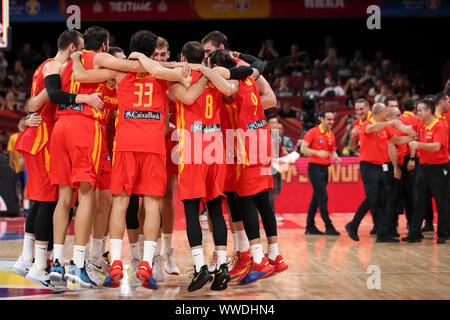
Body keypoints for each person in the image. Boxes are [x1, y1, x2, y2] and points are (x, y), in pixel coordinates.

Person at [71, 30, 190, 290]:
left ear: (132, 49)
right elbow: (180, 73)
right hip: (153, 145)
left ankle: (115, 261)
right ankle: (146, 262)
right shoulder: (162, 73)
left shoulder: (120, 71)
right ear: (151, 51)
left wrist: (78, 57)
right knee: (152, 203)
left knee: (120, 202)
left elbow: (79, 76)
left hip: (125, 144)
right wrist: (160, 63)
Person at [12, 29, 97, 290]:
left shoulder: (47, 65)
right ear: (73, 48)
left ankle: (28, 261)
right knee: (48, 202)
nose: (82, 54)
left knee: (42, 202)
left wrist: (27, 115)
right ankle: (38, 266)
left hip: (41, 134)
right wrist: (81, 97)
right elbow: (42, 98)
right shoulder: (54, 66)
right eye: (81, 49)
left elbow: (30, 103)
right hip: (42, 137)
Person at [208, 51, 287, 286]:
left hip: (243, 148)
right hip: (261, 143)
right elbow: (259, 64)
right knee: (264, 201)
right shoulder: (250, 77)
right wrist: (240, 55)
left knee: (246, 203)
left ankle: (258, 260)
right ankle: (274, 255)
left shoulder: (229, 85)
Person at [168, 41, 237, 292]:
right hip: (216, 145)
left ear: (183, 59)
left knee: (191, 210)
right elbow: (230, 90)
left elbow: (187, 97)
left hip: (195, 146)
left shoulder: (181, 78)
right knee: (216, 209)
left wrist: (198, 71)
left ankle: (200, 268)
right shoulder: (214, 76)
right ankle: (222, 266)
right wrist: (208, 72)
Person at [346, 103, 410, 243]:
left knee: (381, 200)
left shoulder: (385, 127)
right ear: (378, 113)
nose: (387, 114)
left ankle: (382, 234)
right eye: (385, 111)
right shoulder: (368, 124)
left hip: (380, 166)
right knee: (372, 197)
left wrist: (413, 138)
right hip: (368, 166)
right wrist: (388, 122)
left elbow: (396, 140)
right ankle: (353, 225)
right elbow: (370, 128)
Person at [402, 99, 449, 243]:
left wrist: (419, 144)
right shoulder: (421, 124)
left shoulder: (440, 126)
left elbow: (436, 146)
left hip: (438, 168)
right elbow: (406, 129)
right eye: (417, 110)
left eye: (420, 110)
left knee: (442, 202)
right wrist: (392, 123)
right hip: (423, 168)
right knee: (419, 201)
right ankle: (414, 233)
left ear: (429, 111)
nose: (418, 113)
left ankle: (443, 234)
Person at [301, 110, 341, 235]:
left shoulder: (331, 134)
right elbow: (303, 149)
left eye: (332, 119)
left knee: (316, 198)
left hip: (325, 168)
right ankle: (328, 226)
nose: (331, 122)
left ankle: (310, 226)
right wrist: (318, 153)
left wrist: (336, 156)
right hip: (314, 168)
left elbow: (332, 150)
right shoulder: (313, 132)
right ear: (321, 119)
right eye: (328, 119)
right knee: (323, 197)